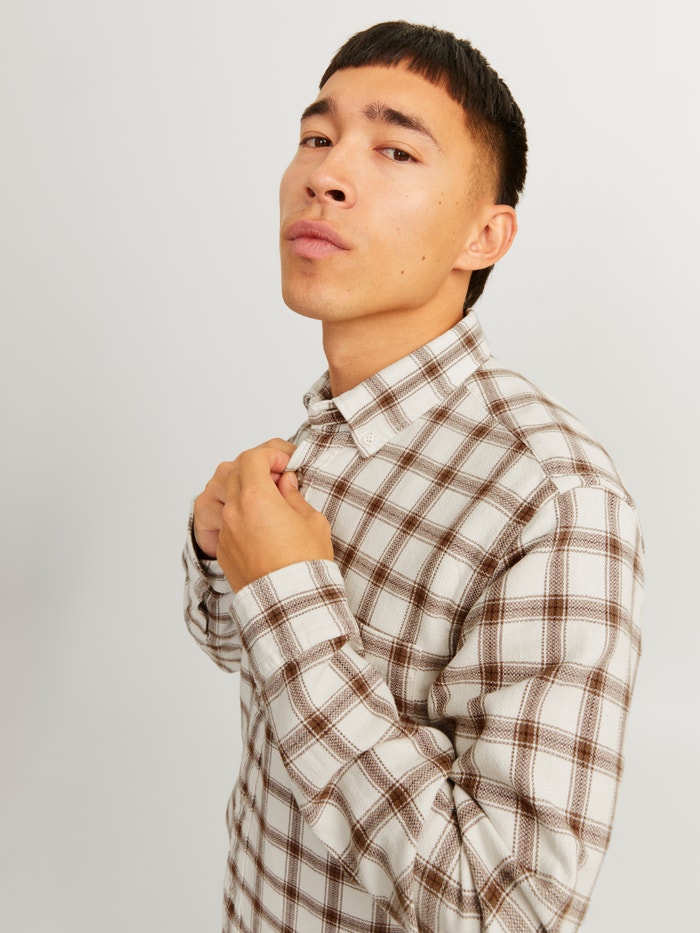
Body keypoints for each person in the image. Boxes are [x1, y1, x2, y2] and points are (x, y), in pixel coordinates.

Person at [183, 21, 643, 933]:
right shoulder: (323, 432)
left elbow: (509, 912)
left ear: (484, 235)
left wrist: (289, 593)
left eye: (395, 149)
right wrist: (216, 548)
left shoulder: (556, 500)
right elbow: (236, 647)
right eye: (317, 136)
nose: (326, 173)